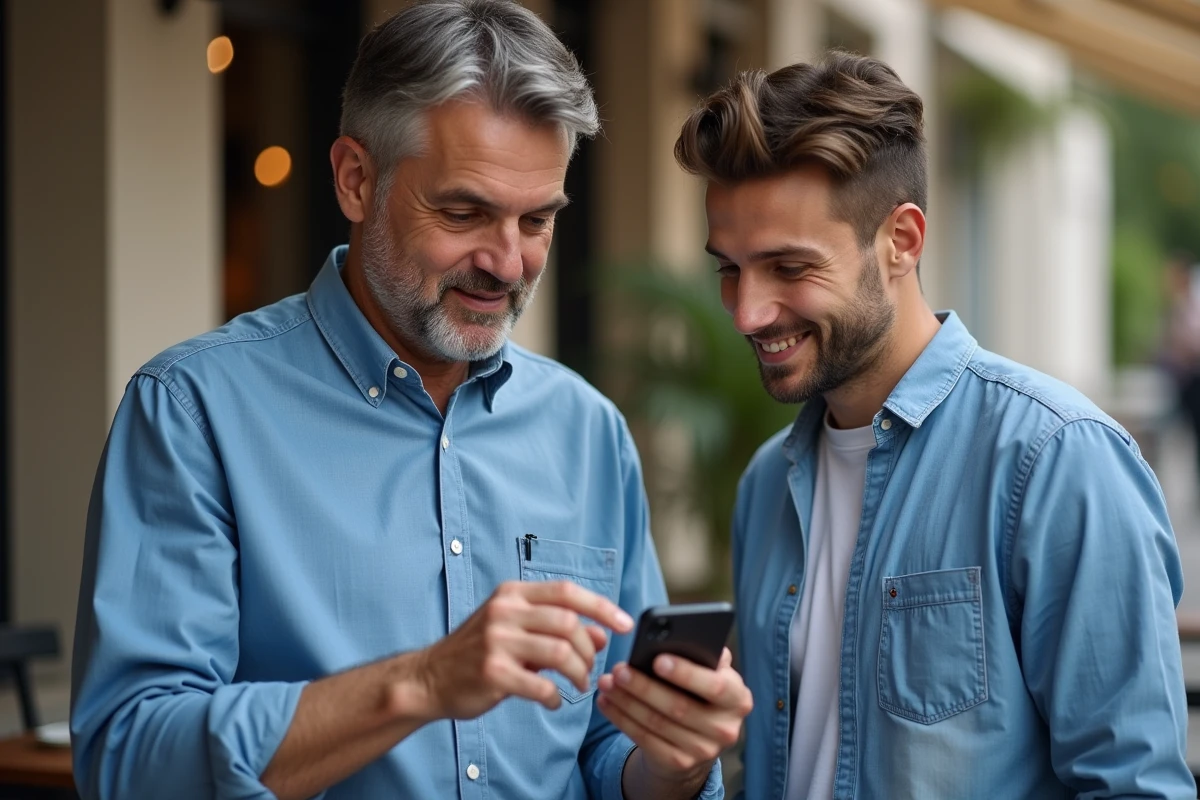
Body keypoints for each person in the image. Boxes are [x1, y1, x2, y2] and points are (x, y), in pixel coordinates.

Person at [70, 2, 750, 798]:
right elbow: (129, 760)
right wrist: (421, 684)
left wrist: (677, 760)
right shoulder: (193, 412)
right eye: (464, 213)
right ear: (356, 180)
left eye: (538, 220)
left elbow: (605, 751)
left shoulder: (588, 432)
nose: (507, 262)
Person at [673, 51, 1193, 799]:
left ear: (902, 242)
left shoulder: (1055, 461)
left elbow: (1135, 786)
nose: (748, 311)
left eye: (788, 267)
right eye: (729, 268)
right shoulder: (766, 485)